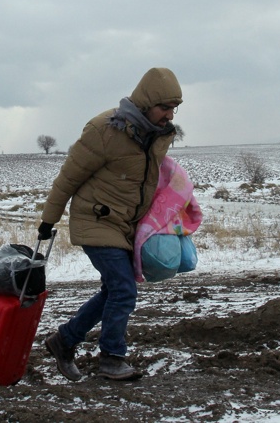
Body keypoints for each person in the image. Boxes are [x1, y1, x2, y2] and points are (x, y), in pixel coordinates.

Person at [37, 67, 182, 381]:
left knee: (113, 291)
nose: (170, 115)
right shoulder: (105, 130)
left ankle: (64, 341)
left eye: (174, 109)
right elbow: (68, 179)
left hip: (125, 225)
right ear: (146, 103)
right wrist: (48, 220)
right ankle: (112, 358)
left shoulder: (156, 136)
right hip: (96, 221)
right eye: (165, 107)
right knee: (123, 290)